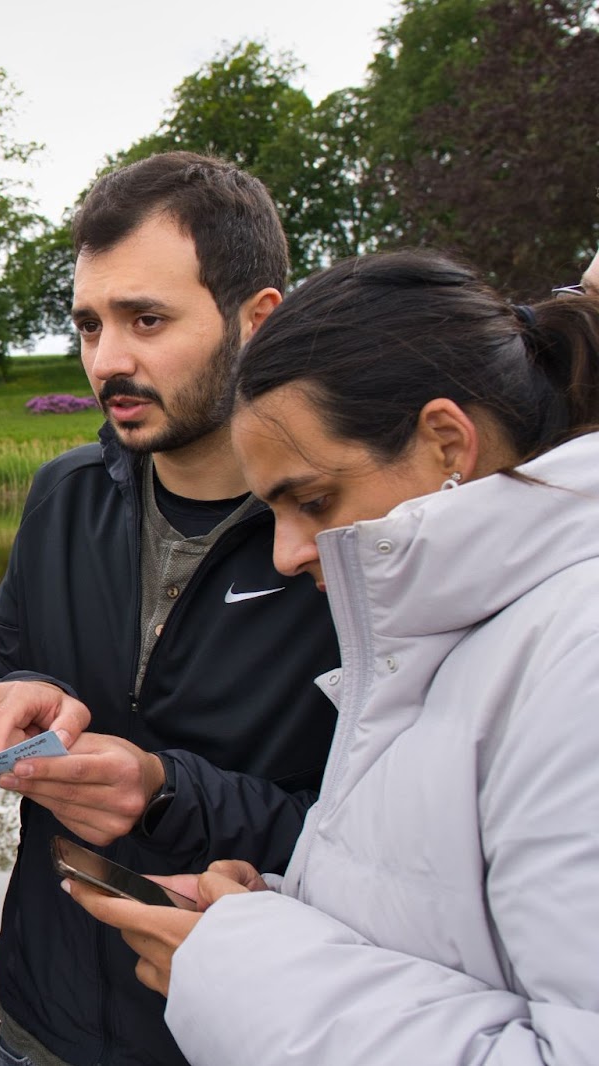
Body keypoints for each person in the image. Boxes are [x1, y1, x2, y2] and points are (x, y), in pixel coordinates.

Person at [71, 250, 599, 1064]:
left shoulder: (578, 659)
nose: (285, 554)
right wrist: (273, 917)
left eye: (312, 501)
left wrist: (235, 969)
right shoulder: (440, 640)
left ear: (446, 443)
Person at [0, 151, 341, 1066]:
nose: (107, 360)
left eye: (147, 320)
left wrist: (163, 794)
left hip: (227, 1038)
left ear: (258, 320)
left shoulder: (339, 536)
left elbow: (376, 846)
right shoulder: (63, 495)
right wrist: (0, 704)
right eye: (89, 324)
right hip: (35, 1025)